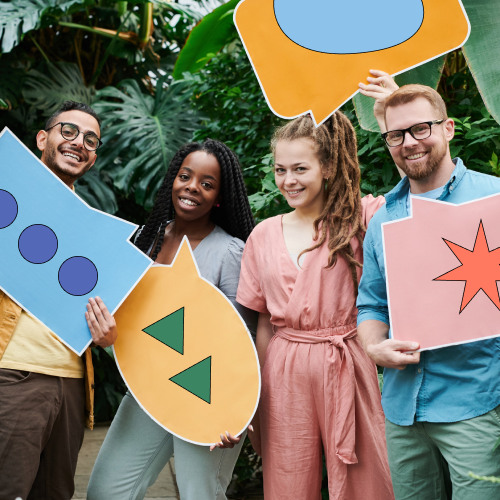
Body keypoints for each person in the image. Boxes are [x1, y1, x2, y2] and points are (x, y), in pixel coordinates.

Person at [236, 112, 394, 499]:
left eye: (300, 168)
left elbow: (414, 197)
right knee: (287, 478)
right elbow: (263, 324)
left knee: (366, 477)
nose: (288, 181)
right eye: (280, 169)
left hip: (347, 357)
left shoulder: (361, 219)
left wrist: (389, 110)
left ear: (326, 167)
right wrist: (255, 396)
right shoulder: (263, 234)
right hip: (284, 365)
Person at [87, 139, 257, 500]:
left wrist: (234, 411)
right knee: (105, 492)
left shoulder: (231, 253)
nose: (193, 187)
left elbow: (242, 344)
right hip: (149, 391)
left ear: (219, 198)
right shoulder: (146, 242)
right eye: (185, 176)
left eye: (207, 184)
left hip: (208, 399)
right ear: (173, 181)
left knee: (200, 495)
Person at [356, 76, 500, 499]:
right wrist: (373, 348)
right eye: (396, 134)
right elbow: (371, 304)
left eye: (422, 128)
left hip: (476, 402)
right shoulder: (383, 219)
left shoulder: (494, 200)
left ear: (448, 128)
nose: (410, 142)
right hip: (403, 409)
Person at [0, 101, 117, 499]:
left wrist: (107, 331)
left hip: (71, 383)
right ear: (42, 137)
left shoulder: (95, 231)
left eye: (91, 139)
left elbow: (104, 310)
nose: (79, 143)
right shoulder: (6, 193)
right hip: (14, 374)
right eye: (68, 131)